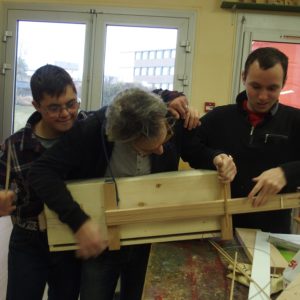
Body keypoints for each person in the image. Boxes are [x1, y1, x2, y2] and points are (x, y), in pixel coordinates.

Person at [0, 64, 202, 299]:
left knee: (65, 293)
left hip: (69, 236)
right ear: (37, 106)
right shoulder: (16, 144)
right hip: (30, 238)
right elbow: (36, 175)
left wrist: (174, 97)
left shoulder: (89, 123)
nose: (66, 113)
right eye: (54, 108)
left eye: (71, 103)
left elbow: (135, 103)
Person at [27, 87, 235, 300]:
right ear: (123, 138)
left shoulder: (170, 119)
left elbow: (197, 151)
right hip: (103, 239)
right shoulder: (93, 130)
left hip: (151, 237)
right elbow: (41, 172)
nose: (161, 151)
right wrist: (79, 222)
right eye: (148, 149)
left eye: (163, 142)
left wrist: (218, 159)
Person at [191, 47, 300, 233]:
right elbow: (190, 147)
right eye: (255, 86)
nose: (263, 96)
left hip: (272, 231)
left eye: (272, 88)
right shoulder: (218, 117)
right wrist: (215, 157)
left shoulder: (295, 121)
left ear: (283, 83)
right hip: (220, 227)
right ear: (243, 78)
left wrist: (287, 172)